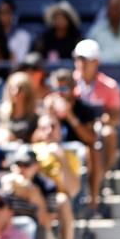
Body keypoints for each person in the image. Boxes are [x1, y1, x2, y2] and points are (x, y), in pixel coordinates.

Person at [43, 68, 102, 211]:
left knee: (93, 151)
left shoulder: (85, 108)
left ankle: (93, 198)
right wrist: (49, 115)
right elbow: (39, 138)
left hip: (77, 153)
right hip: (53, 151)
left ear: (73, 88)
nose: (59, 93)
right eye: (55, 88)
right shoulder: (48, 107)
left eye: (63, 88)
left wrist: (69, 115)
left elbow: (90, 138)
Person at [72, 39, 120, 176]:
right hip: (74, 128)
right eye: (78, 59)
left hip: (97, 129)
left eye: (86, 60)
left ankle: (101, 176)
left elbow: (116, 117)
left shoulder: (110, 85)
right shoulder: (68, 82)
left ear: (96, 61)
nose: (82, 64)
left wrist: (98, 122)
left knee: (108, 134)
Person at [0, 0, 31, 64]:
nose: (4, 16)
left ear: (13, 14)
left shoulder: (23, 36)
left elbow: (20, 61)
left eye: (7, 12)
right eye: (1, 12)